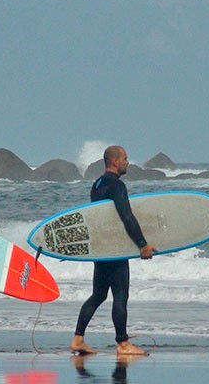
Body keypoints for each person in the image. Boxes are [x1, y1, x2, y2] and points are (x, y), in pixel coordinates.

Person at [70, 145, 157, 356]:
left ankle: (78, 339)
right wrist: (142, 245)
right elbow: (126, 216)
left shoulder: (97, 184)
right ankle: (123, 344)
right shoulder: (117, 185)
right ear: (115, 162)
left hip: (100, 248)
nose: (128, 161)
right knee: (120, 295)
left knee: (98, 295)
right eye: (125, 158)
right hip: (113, 249)